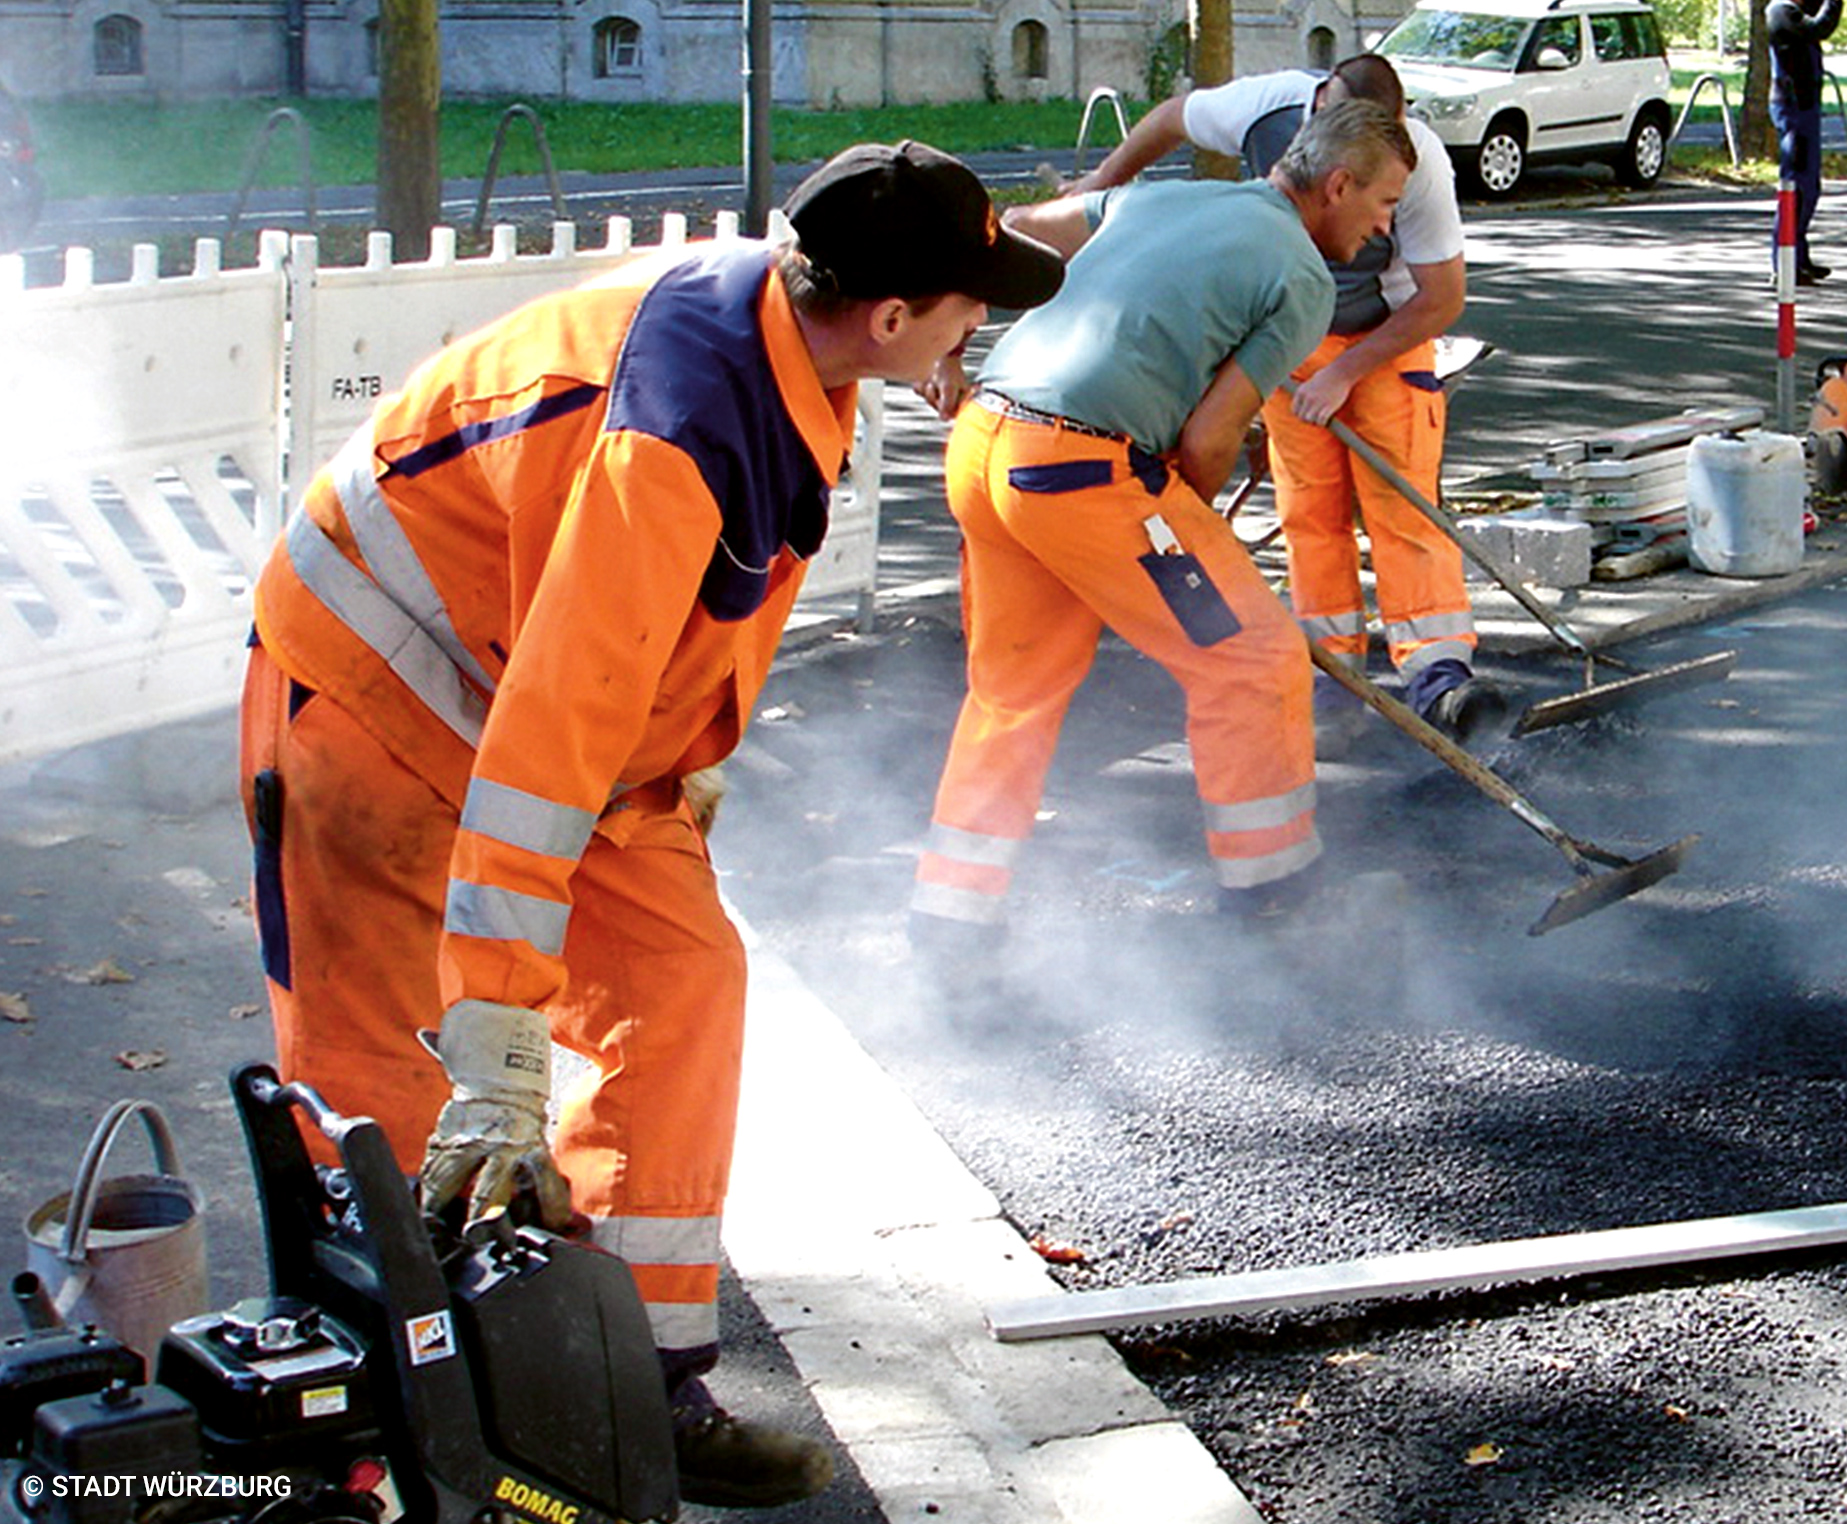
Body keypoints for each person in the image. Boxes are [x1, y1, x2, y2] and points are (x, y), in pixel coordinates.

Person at [237, 141, 1064, 1506]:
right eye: (972, 299)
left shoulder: (794, 353)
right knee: (380, 1089)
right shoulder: (674, 430)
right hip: (373, 694)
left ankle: (638, 1395)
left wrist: (681, 754)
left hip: (534, 695)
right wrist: (498, 1030)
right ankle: (381, 1444)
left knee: (680, 982)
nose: (984, 321)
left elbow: (659, 634)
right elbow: (554, 726)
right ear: (893, 314)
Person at [905, 100, 1415, 945]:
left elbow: (1012, 228)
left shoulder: (1162, 197)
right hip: (1080, 473)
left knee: (1013, 692)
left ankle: (952, 918)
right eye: (1386, 204)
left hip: (987, 445)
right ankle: (1276, 896)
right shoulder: (1303, 277)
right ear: (1337, 185)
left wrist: (946, 348)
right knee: (1252, 657)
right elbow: (1208, 438)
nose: (1385, 228)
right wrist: (1186, 531)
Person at [1071, 56, 1506, 746]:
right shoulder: (1267, 108)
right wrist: (1098, 184)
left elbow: (1441, 297)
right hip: (1291, 336)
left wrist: (1347, 372)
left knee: (1403, 505)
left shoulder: (1415, 159)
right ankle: (1334, 672)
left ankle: (1437, 675)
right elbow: (1167, 119)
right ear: (1324, 115)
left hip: (1386, 336)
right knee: (1309, 508)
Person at [1767, 0, 1843, 283]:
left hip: (1805, 107)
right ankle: (1784, 263)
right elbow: (1820, 27)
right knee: (1795, 188)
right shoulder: (1780, 11)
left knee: (1809, 187)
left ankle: (1799, 256)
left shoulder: (1796, 10)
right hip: (1793, 108)